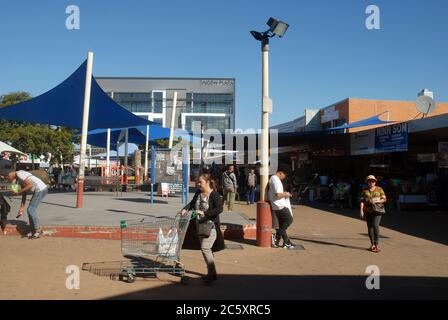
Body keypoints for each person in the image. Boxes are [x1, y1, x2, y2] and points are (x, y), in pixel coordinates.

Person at [181, 173, 225, 284]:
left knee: (205, 249)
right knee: (207, 250)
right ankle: (211, 273)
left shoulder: (214, 195)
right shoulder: (198, 193)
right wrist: (185, 209)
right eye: (197, 182)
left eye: (200, 182)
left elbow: (219, 209)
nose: (198, 184)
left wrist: (204, 213)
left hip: (211, 227)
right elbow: (191, 204)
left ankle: (212, 274)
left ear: (207, 182)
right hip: (199, 227)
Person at [6, 170, 48, 239]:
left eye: (8, 179)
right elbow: (24, 194)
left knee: (31, 209)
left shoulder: (19, 174)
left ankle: (37, 230)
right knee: (30, 210)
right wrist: (21, 208)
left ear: (9, 175)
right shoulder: (19, 177)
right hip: (41, 189)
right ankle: (34, 230)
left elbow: (30, 185)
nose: (9, 181)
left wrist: (18, 192)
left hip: (40, 189)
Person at [268, 166, 295, 249]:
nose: (284, 177)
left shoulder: (273, 178)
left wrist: (284, 193)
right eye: (285, 175)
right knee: (289, 219)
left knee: (281, 224)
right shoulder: (276, 179)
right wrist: (286, 194)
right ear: (281, 173)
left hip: (276, 204)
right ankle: (276, 238)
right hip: (279, 205)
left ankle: (286, 242)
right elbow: (278, 194)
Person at [360, 175, 387, 253]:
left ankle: (376, 244)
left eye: (373, 181)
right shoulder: (364, 190)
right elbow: (362, 201)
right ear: (367, 182)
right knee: (370, 227)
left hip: (377, 211)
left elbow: (384, 199)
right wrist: (361, 210)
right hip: (368, 211)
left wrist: (376, 201)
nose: (371, 182)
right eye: (369, 181)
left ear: (375, 182)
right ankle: (372, 244)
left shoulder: (379, 189)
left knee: (375, 226)